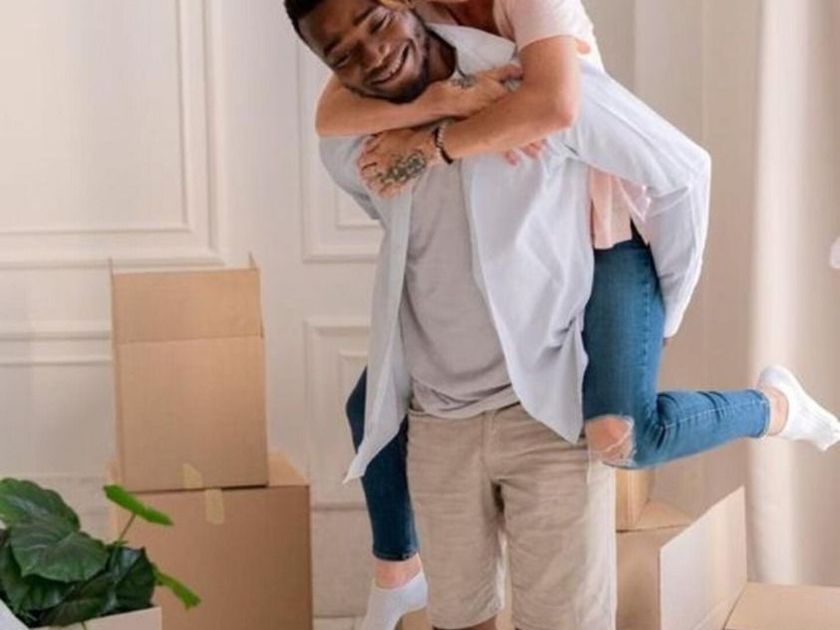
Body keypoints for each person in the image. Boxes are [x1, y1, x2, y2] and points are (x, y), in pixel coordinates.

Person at [286, 1, 840, 628]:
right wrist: (438, 109)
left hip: (546, 412)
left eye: (378, 22)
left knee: (624, 438)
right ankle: (395, 570)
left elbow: (682, 170)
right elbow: (354, 158)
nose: (374, 53)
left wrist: (667, 315)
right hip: (440, 423)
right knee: (451, 609)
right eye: (343, 53)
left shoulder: (528, 83)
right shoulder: (354, 140)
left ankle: (774, 407)